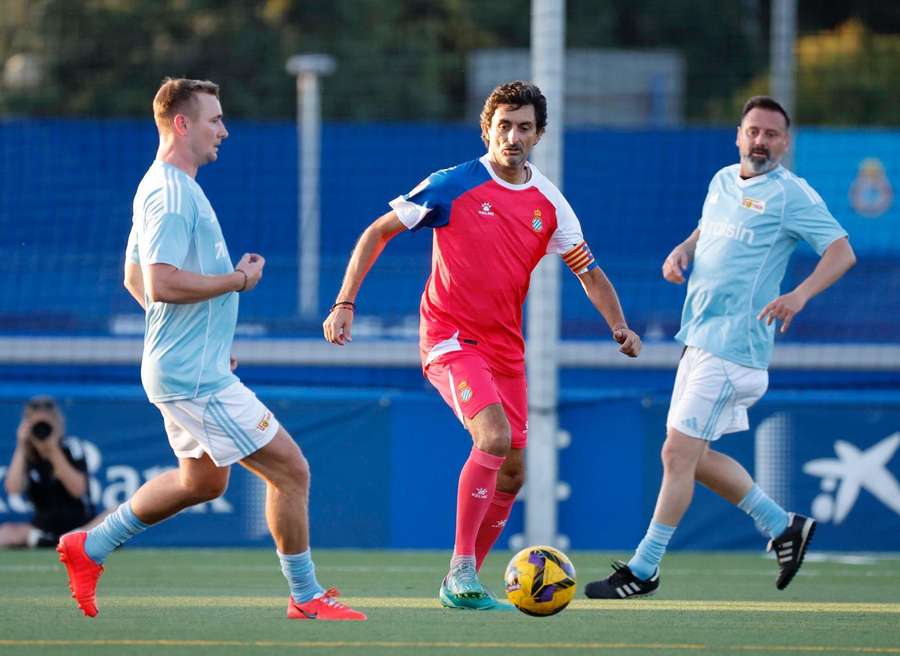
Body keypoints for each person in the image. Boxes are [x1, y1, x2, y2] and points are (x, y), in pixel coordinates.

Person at [323, 80, 642, 610]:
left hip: (505, 348)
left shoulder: (550, 204)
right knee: (493, 438)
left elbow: (587, 271)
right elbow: (378, 231)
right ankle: (462, 571)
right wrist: (344, 302)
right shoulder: (452, 184)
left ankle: (461, 582)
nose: (512, 137)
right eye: (503, 126)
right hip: (449, 337)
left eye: (524, 128)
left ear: (538, 135)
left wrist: (619, 325)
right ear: (486, 130)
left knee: (513, 473)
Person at [56, 78, 365, 621]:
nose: (224, 130)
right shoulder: (172, 194)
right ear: (182, 124)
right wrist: (238, 281)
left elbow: (133, 278)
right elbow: (160, 283)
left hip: (186, 365)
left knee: (202, 481)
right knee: (291, 470)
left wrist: (204, 337)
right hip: (193, 375)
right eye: (214, 119)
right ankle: (306, 595)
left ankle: (91, 545)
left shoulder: (160, 184)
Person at [585, 96, 856, 599]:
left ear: (785, 142)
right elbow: (709, 227)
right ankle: (783, 526)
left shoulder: (791, 194)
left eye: (771, 134)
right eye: (753, 131)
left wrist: (798, 295)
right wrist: (684, 248)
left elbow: (842, 252)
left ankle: (644, 569)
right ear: (738, 135)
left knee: (676, 453)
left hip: (735, 347)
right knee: (695, 456)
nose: (760, 141)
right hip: (698, 340)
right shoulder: (722, 180)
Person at [1, 396, 97, 548]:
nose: (42, 431)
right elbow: (13, 488)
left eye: (46, 425)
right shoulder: (27, 454)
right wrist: (21, 446)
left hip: (81, 524)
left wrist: (53, 449)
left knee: (115, 514)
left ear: (57, 424)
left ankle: (70, 539)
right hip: (43, 528)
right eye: (37, 425)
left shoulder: (71, 447)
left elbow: (78, 490)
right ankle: (55, 541)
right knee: (5, 533)